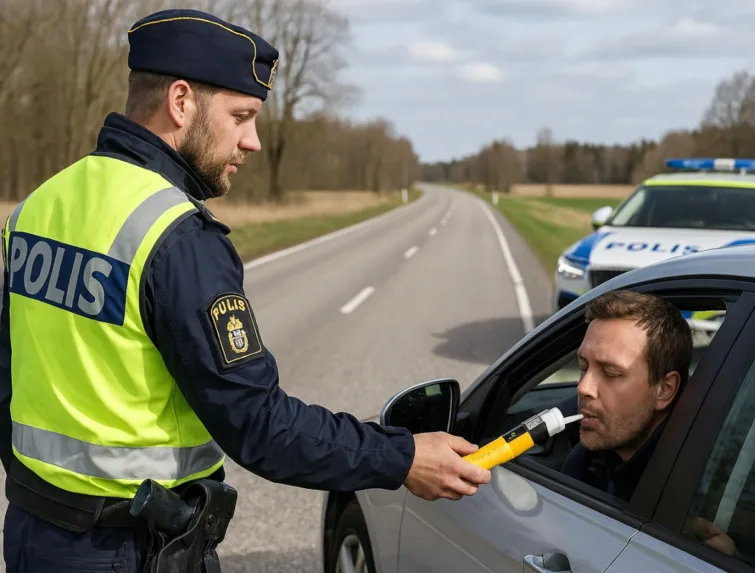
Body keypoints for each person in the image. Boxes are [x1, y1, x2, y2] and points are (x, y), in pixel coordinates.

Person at [0, 8, 490, 571]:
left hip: (33, 534)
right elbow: (260, 427)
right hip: (129, 547)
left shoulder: (39, 204)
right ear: (181, 102)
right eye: (241, 116)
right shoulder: (177, 237)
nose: (252, 141)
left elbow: (7, 379)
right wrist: (402, 456)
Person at [561, 290, 692, 503]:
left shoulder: (691, 490)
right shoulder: (584, 462)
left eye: (611, 373)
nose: (584, 387)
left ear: (665, 389)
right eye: (583, 367)